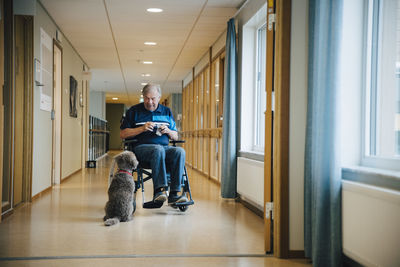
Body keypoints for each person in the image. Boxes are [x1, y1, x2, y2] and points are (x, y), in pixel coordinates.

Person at [120, 83, 187, 205]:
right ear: (143, 96)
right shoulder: (133, 111)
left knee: (179, 151)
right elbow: (123, 134)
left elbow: (175, 135)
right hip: (141, 149)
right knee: (158, 149)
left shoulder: (166, 111)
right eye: (147, 98)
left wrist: (167, 131)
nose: (150, 102)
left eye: (153, 98)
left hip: (164, 149)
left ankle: (174, 194)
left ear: (159, 97)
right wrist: (141, 129)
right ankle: (159, 191)